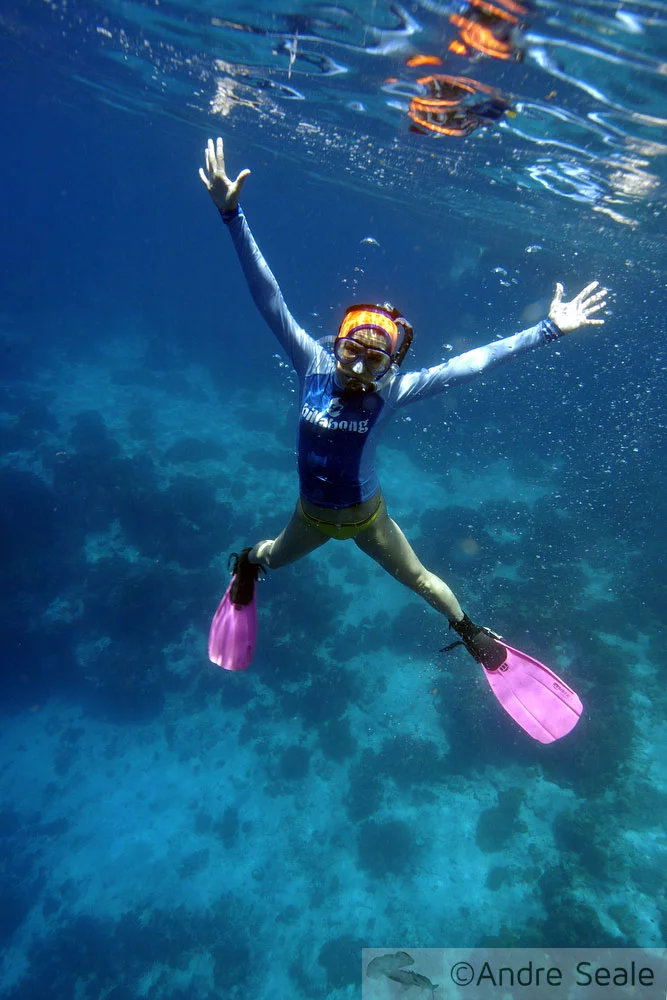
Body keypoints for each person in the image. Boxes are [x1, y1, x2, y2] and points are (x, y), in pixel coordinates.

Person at [199, 136, 607, 670]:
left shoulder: (393, 392)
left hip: (369, 521)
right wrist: (233, 217)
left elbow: (475, 363)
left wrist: (549, 329)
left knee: (421, 580)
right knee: (272, 554)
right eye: (352, 352)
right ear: (335, 345)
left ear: (391, 364)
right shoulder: (313, 367)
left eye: (375, 359)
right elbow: (267, 296)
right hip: (312, 518)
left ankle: (470, 632)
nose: (360, 367)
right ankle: (246, 567)